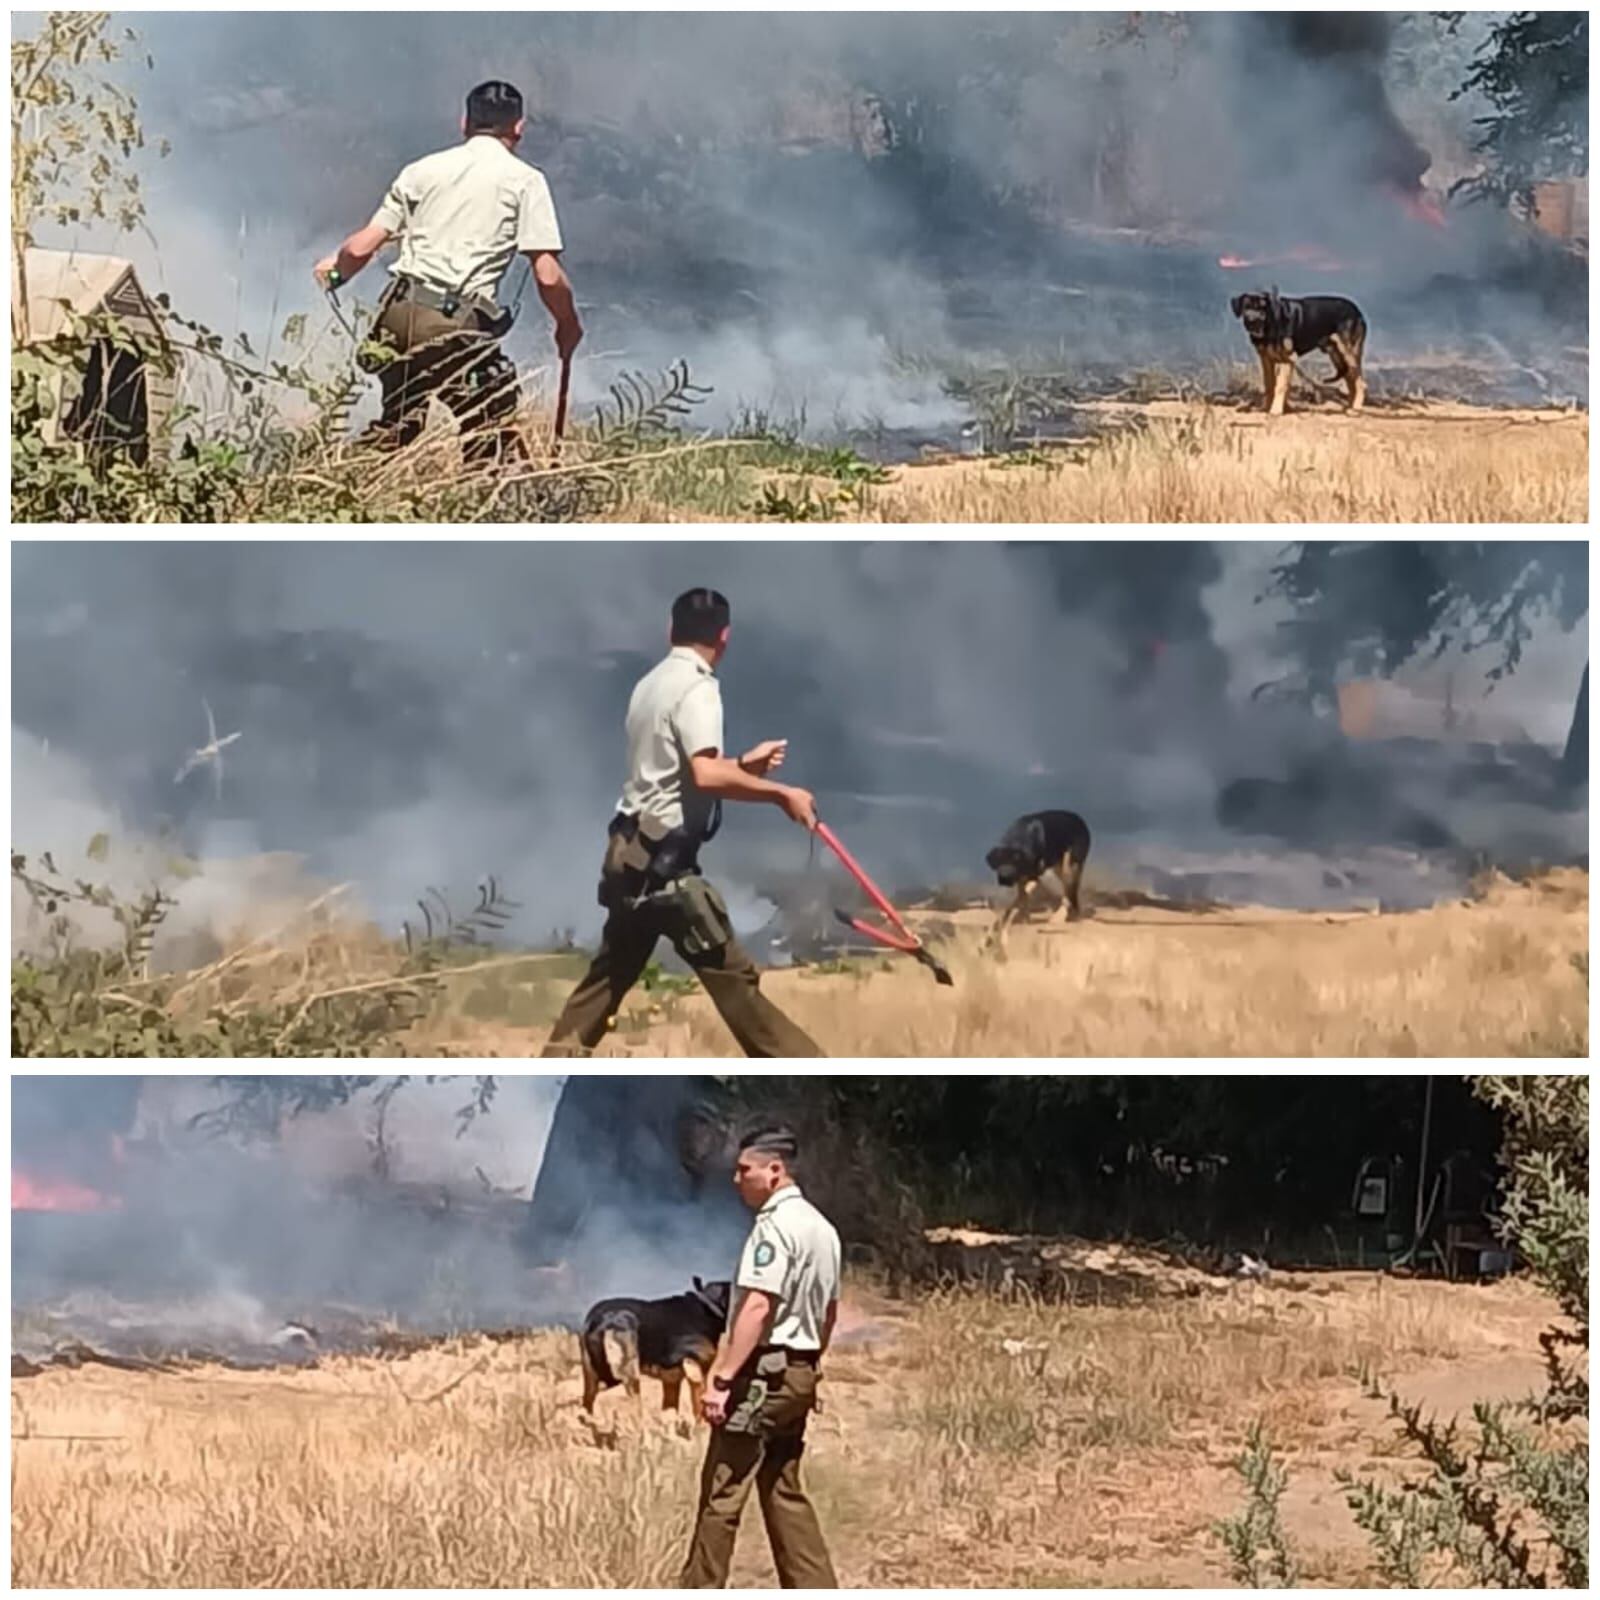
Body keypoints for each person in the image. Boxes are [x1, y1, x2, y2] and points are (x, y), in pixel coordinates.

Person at [542, 588, 824, 1058]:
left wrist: (745, 766)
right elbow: (704, 774)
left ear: (671, 630)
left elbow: (675, 771)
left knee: (605, 983)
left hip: (629, 857)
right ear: (725, 637)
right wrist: (782, 794)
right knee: (738, 987)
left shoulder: (650, 684)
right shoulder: (698, 688)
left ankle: (556, 1056)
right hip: (666, 868)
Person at [311, 79, 583, 464]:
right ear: (519, 128)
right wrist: (567, 326)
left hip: (397, 317)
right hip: (453, 327)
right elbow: (548, 275)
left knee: (398, 426)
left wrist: (335, 275)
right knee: (488, 425)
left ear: (464, 122)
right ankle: (481, 510)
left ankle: (333, 484)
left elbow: (359, 247)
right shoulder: (526, 182)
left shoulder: (422, 170)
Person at [681, 1122, 841, 1588]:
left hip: (762, 1376)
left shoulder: (774, 1229)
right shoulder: (822, 1229)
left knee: (722, 1493)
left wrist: (724, 1378)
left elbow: (756, 1306)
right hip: (800, 1371)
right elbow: (828, 1312)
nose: (736, 1179)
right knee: (782, 1486)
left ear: (774, 1170)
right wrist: (809, 1366)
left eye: (744, 1170)